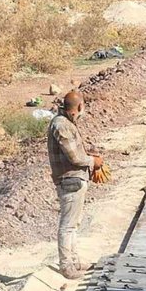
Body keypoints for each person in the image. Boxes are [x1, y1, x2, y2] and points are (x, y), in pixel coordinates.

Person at [46, 90, 103, 279]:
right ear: (79, 107)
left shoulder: (68, 123)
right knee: (68, 225)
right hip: (69, 179)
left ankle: (75, 261)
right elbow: (74, 157)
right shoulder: (61, 125)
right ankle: (66, 266)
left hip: (75, 179)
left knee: (74, 224)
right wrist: (93, 161)